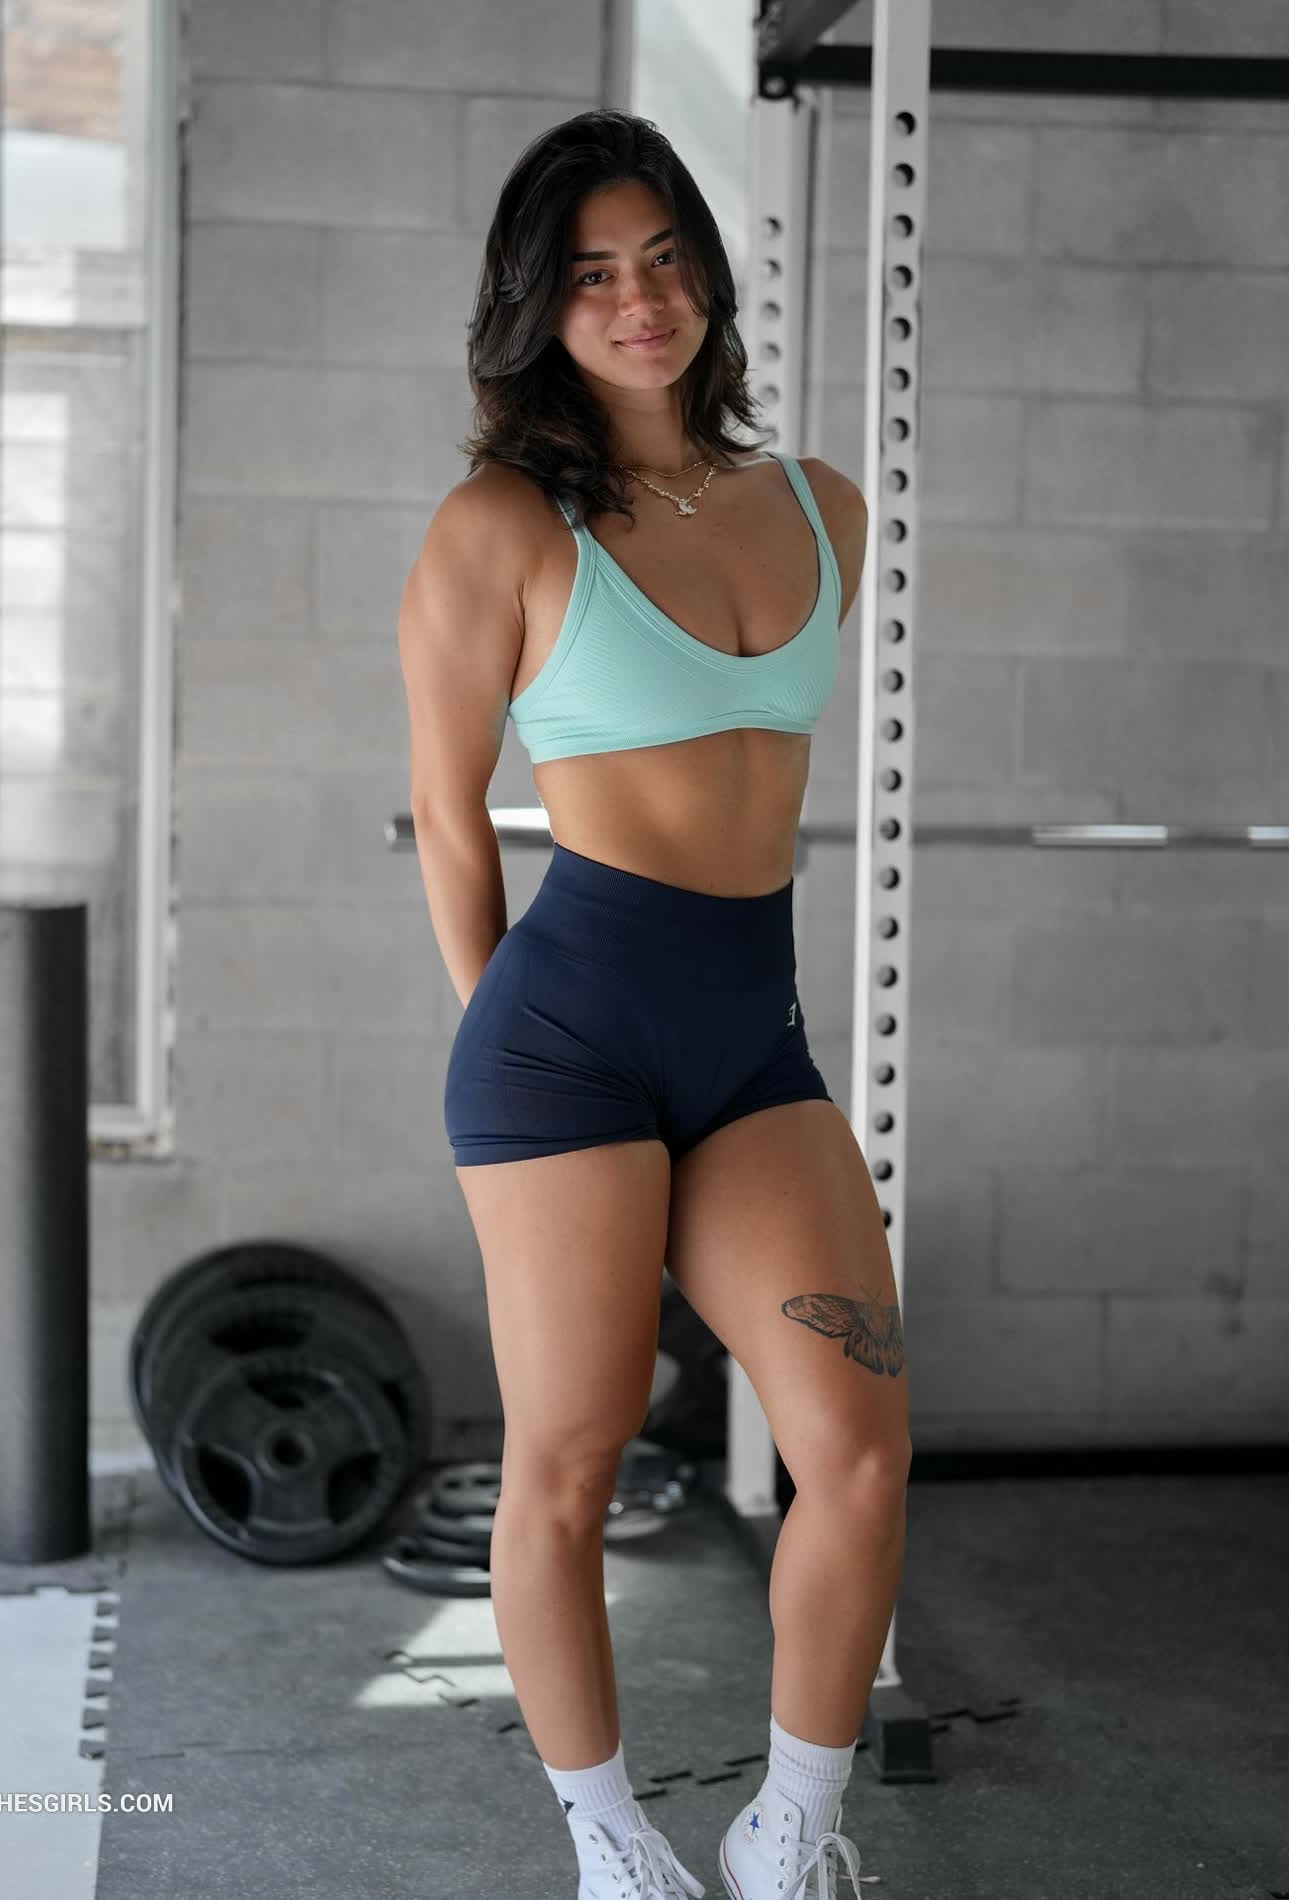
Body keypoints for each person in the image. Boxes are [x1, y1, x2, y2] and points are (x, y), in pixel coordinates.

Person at [398, 108, 910, 1900]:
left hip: (750, 1038)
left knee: (855, 1445)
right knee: (571, 1458)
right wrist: (509, 1050)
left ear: (708, 274)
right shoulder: (500, 524)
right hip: (565, 1039)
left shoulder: (823, 507)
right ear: (538, 307)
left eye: (665, 259)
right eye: (594, 275)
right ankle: (608, 1840)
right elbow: (447, 813)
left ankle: (790, 1825)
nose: (640, 301)